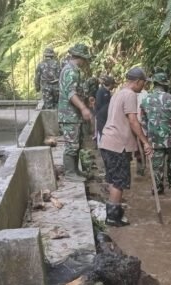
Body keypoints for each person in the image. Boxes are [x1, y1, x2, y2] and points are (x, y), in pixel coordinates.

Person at [99, 67, 152, 226]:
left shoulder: (119, 93)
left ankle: (114, 210)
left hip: (107, 142)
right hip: (117, 144)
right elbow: (133, 121)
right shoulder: (130, 95)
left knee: (113, 178)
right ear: (137, 81)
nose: (144, 86)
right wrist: (145, 141)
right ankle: (113, 218)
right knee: (119, 181)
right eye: (143, 82)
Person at [140, 72, 171, 194]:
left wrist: (146, 140)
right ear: (165, 84)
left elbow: (143, 123)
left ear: (154, 84)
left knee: (157, 167)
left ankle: (158, 189)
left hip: (154, 141)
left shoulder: (145, 100)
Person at [57, 43, 94, 182]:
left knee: (76, 143)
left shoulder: (74, 70)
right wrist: (83, 108)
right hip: (69, 115)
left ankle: (75, 170)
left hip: (74, 115)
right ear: (81, 58)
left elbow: (77, 91)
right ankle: (70, 172)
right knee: (71, 145)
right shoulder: (70, 71)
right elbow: (71, 94)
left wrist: (86, 99)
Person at [94, 75, 116, 144]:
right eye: (113, 84)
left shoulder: (108, 92)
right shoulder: (100, 91)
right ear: (110, 84)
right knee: (101, 132)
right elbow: (98, 104)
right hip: (101, 116)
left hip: (106, 116)